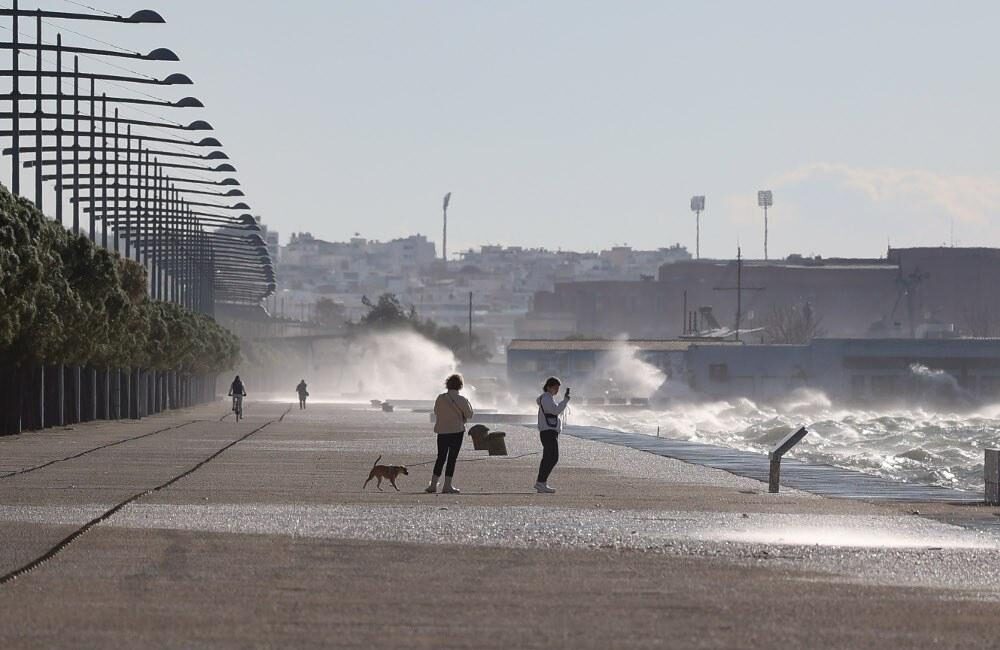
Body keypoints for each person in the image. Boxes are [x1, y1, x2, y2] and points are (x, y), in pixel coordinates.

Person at [427, 373, 474, 494]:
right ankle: (447, 486)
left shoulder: (440, 398)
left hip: (442, 431)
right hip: (456, 431)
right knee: (452, 458)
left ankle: (433, 485)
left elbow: (436, 411)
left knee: (440, 457)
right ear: (460, 386)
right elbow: (469, 415)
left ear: (447, 385)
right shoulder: (462, 399)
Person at [535, 376, 570, 493]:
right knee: (552, 458)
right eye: (555, 388)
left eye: (558, 388)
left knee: (549, 458)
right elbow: (555, 411)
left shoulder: (548, 398)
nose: (557, 391)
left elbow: (554, 411)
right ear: (549, 387)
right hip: (548, 432)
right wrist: (565, 401)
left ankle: (541, 483)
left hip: (549, 432)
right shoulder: (546, 398)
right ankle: (541, 482)